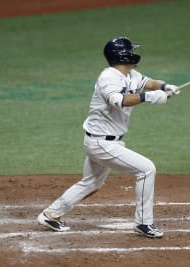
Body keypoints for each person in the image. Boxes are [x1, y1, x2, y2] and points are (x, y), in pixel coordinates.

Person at [37, 36, 179, 238]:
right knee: (147, 169)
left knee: (91, 182)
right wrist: (148, 97)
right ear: (123, 54)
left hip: (104, 141)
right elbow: (118, 101)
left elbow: (149, 82)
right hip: (102, 143)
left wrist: (164, 86)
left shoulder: (131, 74)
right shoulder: (108, 78)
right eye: (130, 50)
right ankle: (143, 223)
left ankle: (51, 214)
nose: (134, 53)